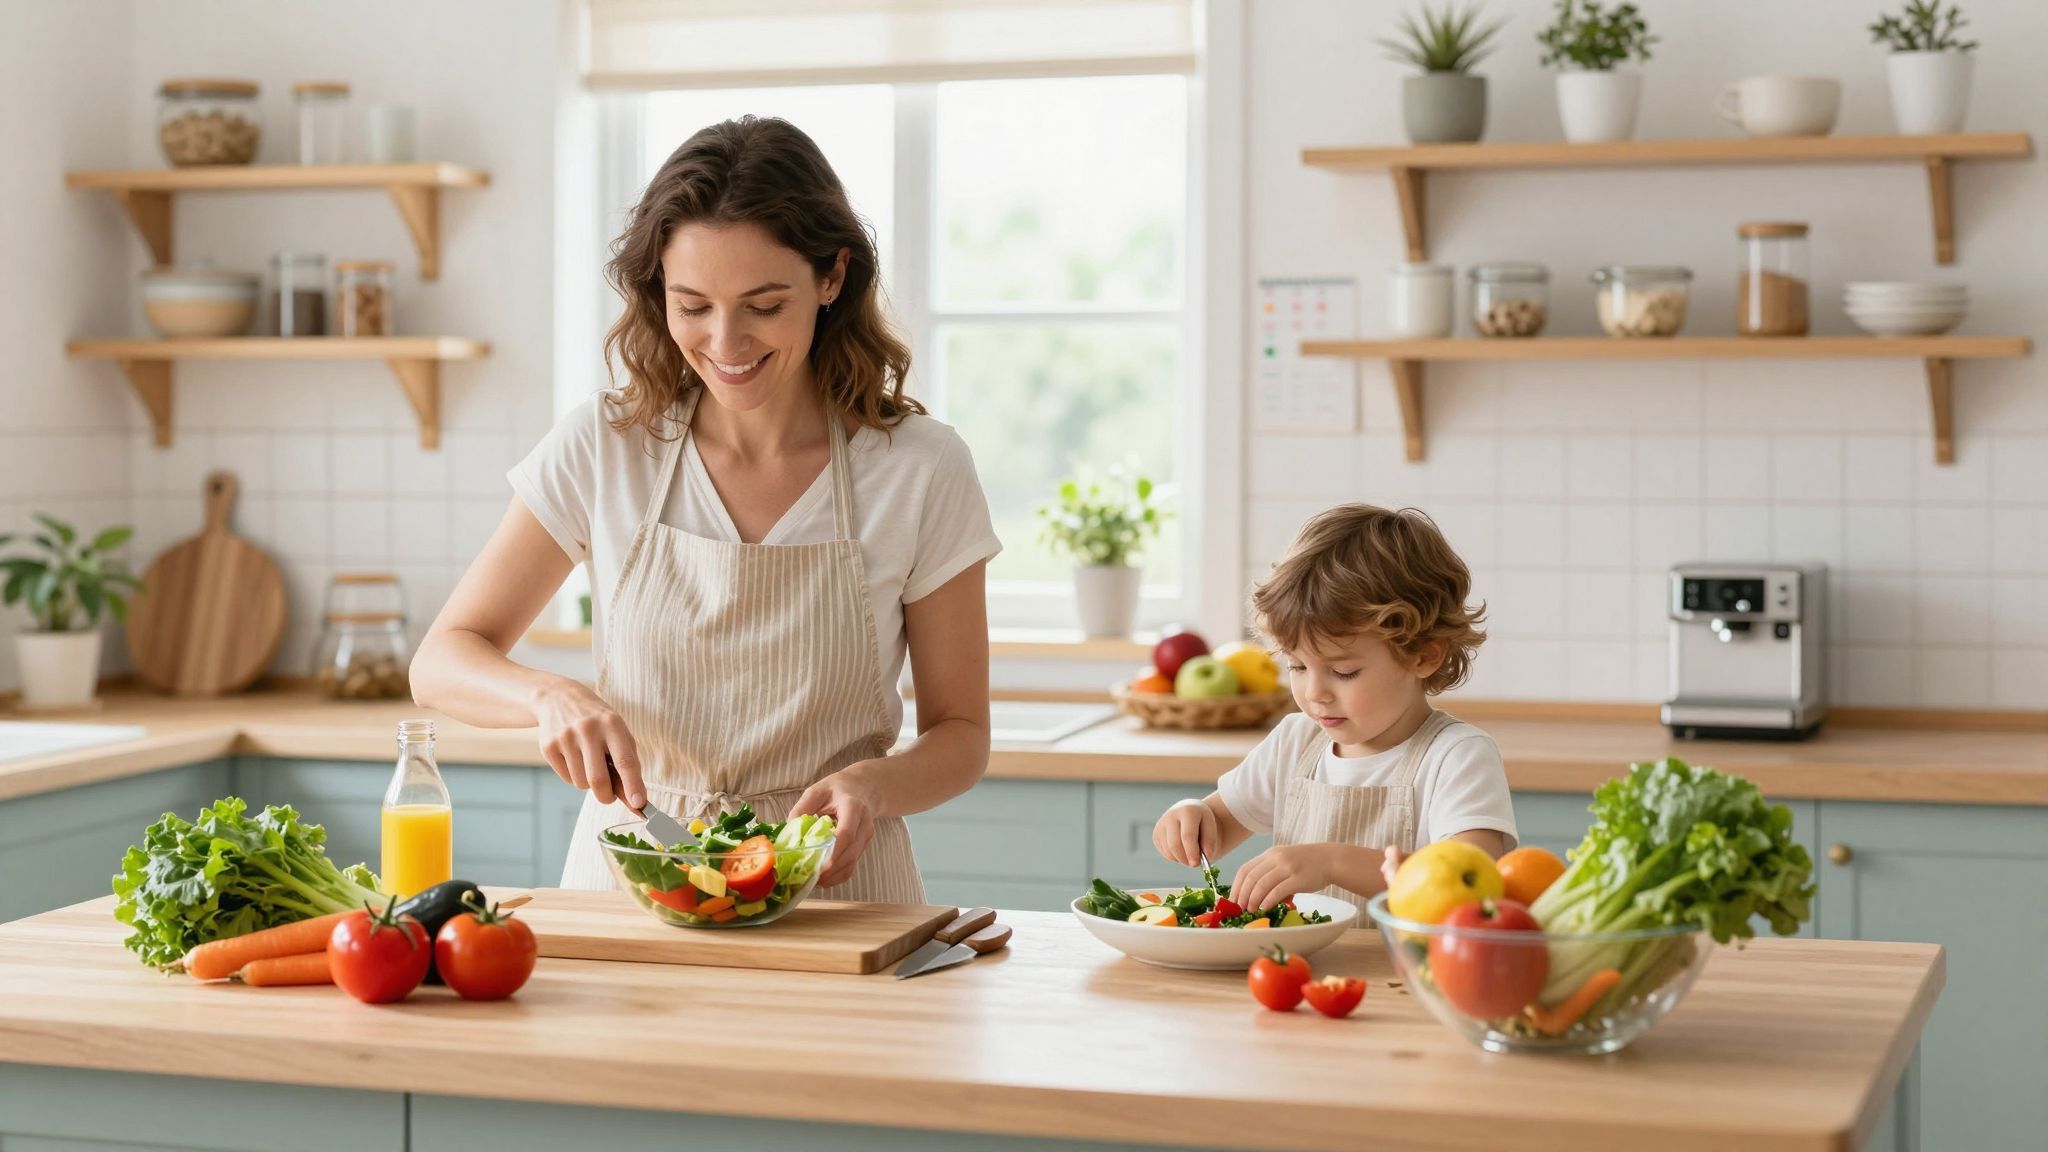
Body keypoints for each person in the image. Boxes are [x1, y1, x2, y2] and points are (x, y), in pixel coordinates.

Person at [410, 116, 1001, 900]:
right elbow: (440, 660)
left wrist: (874, 786)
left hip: (834, 894)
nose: (727, 342)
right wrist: (548, 696)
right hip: (636, 885)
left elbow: (961, 734)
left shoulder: (920, 469)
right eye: (693, 305)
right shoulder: (606, 445)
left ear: (832, 278)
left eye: (764, 305)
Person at [1151, 504, 1513, 911]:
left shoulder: (1456, 756)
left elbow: (1473, 887)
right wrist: (1191, 816)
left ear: (1424, 655)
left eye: (1343, 671)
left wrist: (1332, 862)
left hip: (1401, 955)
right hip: (1297, 955)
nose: (1314, 692)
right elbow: (1219, 822)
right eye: (1297, 666)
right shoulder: (1296, 741)